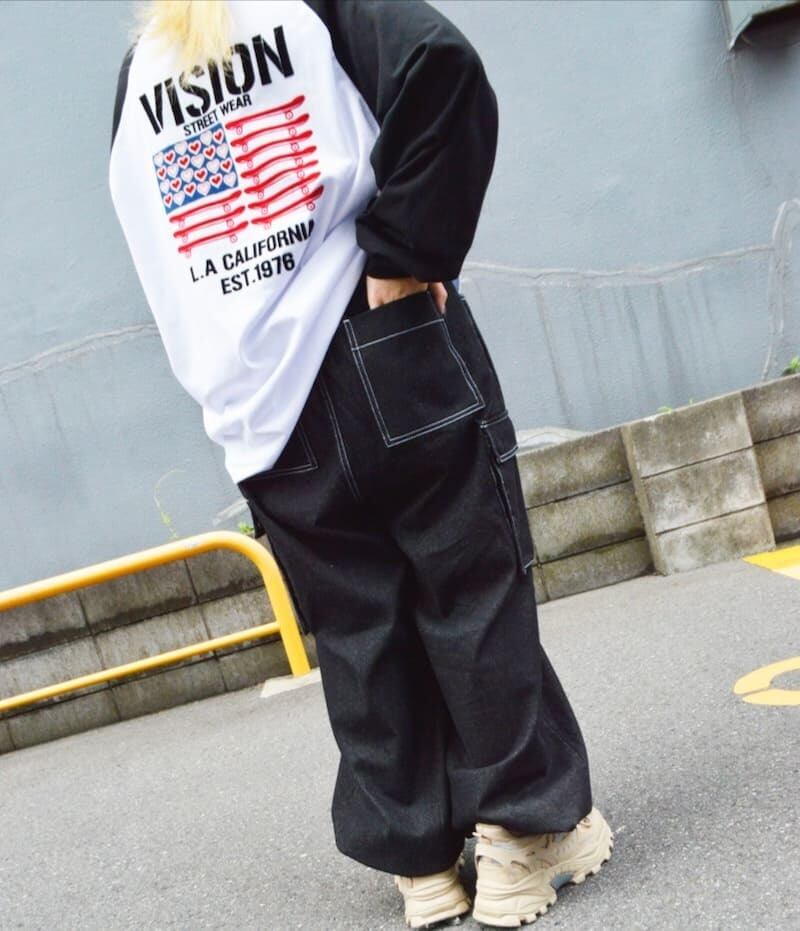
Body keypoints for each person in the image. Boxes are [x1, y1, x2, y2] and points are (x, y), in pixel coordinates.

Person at [109, 1, 613, 927]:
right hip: (377, 331)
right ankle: (517, 837)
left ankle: (423, 866)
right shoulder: (309, 7)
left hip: (260, 399)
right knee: (468, 581)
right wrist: (402, 255)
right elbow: (443, 70)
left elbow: (166, 245)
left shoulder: (142, 74)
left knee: (357, 626)